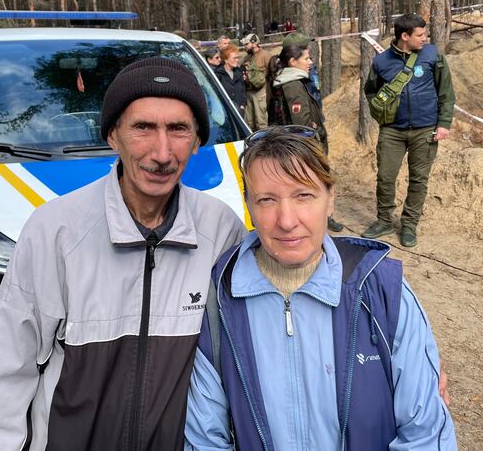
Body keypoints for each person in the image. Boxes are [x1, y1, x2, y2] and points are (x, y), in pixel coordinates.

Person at [0, 57, 246, 450]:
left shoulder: (221, 229)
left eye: (178, 129)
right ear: (113, 136)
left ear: (197, 141)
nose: (162, 153)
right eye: (143, 127)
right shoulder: (55, 231)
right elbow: (7, 371)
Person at [185, 127, 457, 451]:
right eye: (267, 199)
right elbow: (205, 441)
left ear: (330, 199)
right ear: (249, 206)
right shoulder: (219, 302)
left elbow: (425, 435)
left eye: (303, 195)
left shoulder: (383, 292)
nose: (286, 220)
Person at [361, 13, 455, 247]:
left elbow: (446, 92)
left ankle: (409, 224)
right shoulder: (381, 62)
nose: (425, 38)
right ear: (405, 36)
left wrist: (443, 124)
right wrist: (381, 112)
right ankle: (384, 220)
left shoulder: (433, 55)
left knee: (419, 180)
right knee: (385, 177)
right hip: (392, 131)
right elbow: (371, 90)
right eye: (420, 35)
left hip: (425, 129)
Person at [268, 42, 343, 232]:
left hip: (306, 142)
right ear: (293, 62)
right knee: (313, 183)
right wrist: (314, 137)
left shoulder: (296, 79)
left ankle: (323, 216)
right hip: (306, 145)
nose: (310, 62)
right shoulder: (292, 84)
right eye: (306, 58)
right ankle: (320, 218)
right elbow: (300, 123)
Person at [240, 33, 270, 132]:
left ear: (254, 43)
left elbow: (273, 73)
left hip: (261, 93)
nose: (244, 46)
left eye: (246, 44)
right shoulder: (246, 58)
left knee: (261, 121)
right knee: (249, 122)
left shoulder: (266, 55)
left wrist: (267, 91)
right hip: (249, 93)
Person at [214, 44, 246, 117]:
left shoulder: (239, 72)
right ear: (225, 59)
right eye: (234, 58)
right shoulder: (218, 74)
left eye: (237, 58)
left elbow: (243, 89)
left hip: (240, 111)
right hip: (225, 112)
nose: (237, 60)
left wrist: (243, 105)